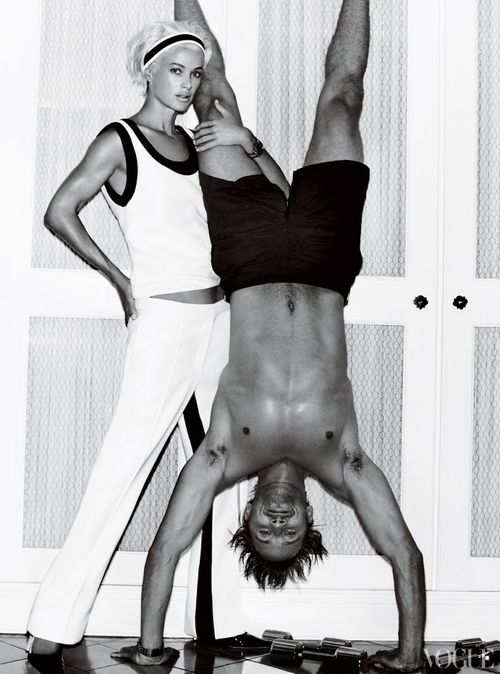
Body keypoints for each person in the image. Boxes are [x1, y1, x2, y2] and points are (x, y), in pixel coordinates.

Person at [112, 0, 426, 671]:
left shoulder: (224, 455)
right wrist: (408, 657)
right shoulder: (343, 461)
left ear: (249, 514)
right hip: (325, 260)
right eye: (290, 533)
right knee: (343, 99)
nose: (278, 524)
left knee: (213, 104)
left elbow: (166, 547)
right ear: (310, 520)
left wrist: (149, 648)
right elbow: (403, 552)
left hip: (250, 258)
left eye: (265, 531)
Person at [25, 18, 284, 674]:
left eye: (195, 73)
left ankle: (218, 623)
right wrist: (118, 279)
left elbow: (283, 199)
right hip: (165, 324)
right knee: (122, 470)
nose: (188, 83)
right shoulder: (120, 141)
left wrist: (246, 140)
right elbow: (59, 211)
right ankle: (51, 627)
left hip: (217, 320)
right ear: (147, 71)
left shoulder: (199, 144)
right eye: (176, 70)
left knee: (221, 465)